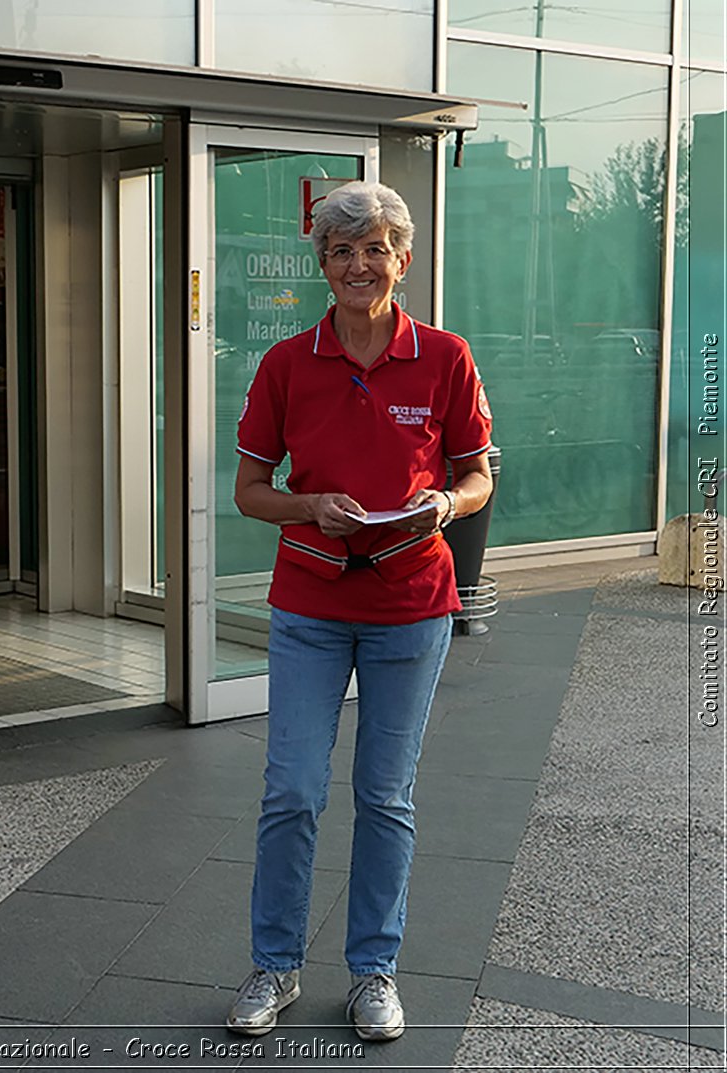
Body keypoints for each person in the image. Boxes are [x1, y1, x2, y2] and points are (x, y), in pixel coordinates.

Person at [224, 181, 493, 1041]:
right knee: (292, 790)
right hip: (309, 600)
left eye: (374, 248)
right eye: (341, 251)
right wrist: (310, 507)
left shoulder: (447, 358)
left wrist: (444, 506)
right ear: (322, 266)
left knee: (385, 795)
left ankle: (374, 971)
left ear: (401, 261)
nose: (358, 264)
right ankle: (275, 965)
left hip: (411, 601)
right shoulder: (285, 364)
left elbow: (479, 475)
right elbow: (251, 492)